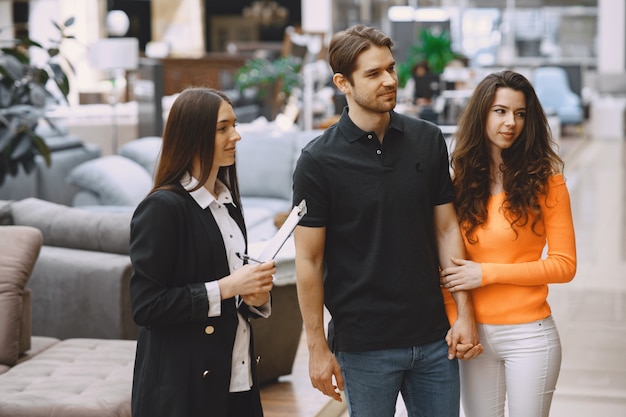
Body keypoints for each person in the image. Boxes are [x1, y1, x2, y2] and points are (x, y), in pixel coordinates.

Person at [291, 24, 482, 417]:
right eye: (374, 73)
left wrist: (464, 313)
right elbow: (308, 261)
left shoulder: (427, 139)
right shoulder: (318, 162)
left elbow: (447, 229)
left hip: (434, 338)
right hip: (363, 347)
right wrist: (316, 349)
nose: (390, 81)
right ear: (343, 83)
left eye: (391, 69)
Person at [128, 87, 276, 417]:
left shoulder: (228, 205)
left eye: (234, 125)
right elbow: (147, 306)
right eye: (223, 128)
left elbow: (234, 297)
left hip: (239, 377)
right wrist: (229, 287)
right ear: (192, 134)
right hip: (184, 389)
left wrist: (256, 297)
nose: (236, 136)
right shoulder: (162, 209)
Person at [440, 70, 577, 417]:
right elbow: (445, 266)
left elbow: (564, 265)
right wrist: (457, 319)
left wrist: (486, 273)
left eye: (520, 114)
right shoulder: (456, 184)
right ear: (482, 113)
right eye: (500, 111)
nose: (510, 123)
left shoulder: (547, 182)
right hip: (474, 335)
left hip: (530, 336)